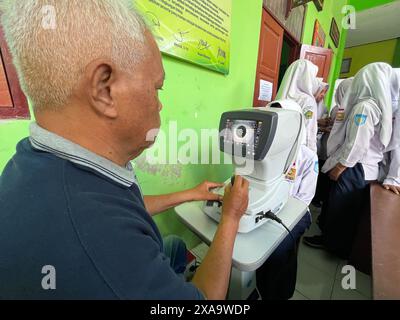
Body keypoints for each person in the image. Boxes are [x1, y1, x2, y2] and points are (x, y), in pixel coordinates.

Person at [0, 0, 249, 300]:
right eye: (156, 88)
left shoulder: (36, 159)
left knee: (174, 246)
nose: (159, 103)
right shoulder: (99, 248)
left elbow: (120, 206)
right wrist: (231, 218)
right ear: (105, 90)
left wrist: (190, 193)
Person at [303, 63, 397, 259]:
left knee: (341, 208)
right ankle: (335, 242)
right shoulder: (381, 107)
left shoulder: (365, 106)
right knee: (346, 208)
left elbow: (357, 144)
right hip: (365, 168)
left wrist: (339, 167)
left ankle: (333, 246)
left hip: (354, 167)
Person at [256, 100, 318, 300]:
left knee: (278, 250)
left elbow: (304, 198)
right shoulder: (264, 150)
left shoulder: (307, 156)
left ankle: (280, 293)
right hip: (268, 207)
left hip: (297, 211)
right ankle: (258, 286)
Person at [313, 78, 353, 207]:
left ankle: (319, 197)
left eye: (325, 92)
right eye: (322, 91)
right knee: (321, 173)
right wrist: (322, 125)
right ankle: (318, 197)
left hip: (332, 149)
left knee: (324, 175)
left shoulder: (342, 108)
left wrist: (324, 127)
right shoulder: (337, 108)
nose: (323, 95)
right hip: (326, 146)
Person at [276, 59, 321, 153]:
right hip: (298, 150)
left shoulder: (281, 97)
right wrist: (312, 154)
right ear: (308, 77)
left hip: (279, 147)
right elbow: (309, 131)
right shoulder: (307, 100)